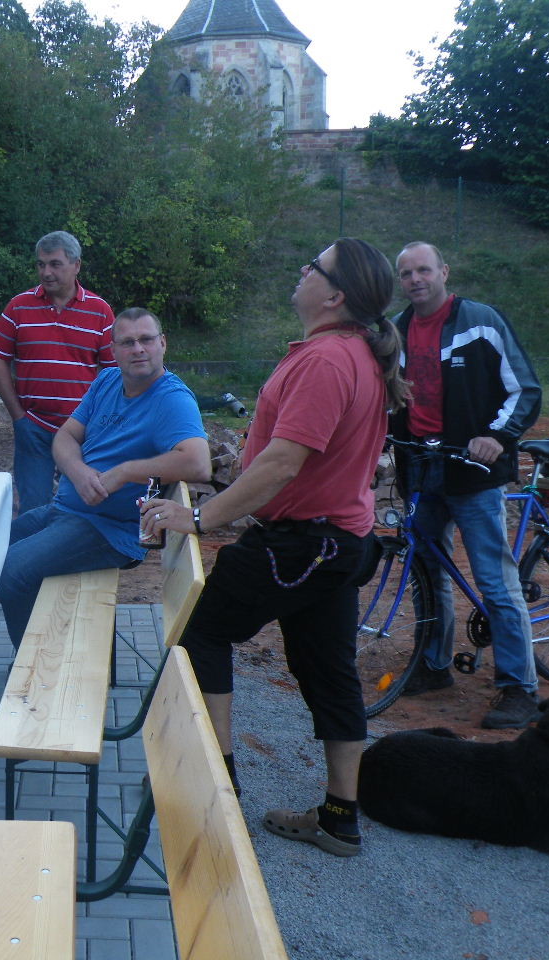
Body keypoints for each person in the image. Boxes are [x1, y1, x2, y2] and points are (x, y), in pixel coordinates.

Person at [142, 238, 410, 858]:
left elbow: (283, 463)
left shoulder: (328, 360)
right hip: (336, 542)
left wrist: (200, 518)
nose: (302, 270)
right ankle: (340, 817)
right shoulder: (349, 353)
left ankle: (217, 796)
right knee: (329, 671)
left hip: (303, 544)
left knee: (200, 631)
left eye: (314, 266)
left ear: (335, 295)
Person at [0, 308, 209, 650]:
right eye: (128, 342)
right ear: (113, 350)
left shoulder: (172, 400)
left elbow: (198, 463)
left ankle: (37, 666)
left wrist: (124, 472)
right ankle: (44, 651)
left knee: (10, 573)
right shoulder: (108, 381)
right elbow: (65, 437)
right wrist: (78, 472)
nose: (138, 349)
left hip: (108, 529)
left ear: (163, 343)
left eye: (146, 339)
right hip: (66, 511)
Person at [392, 241, 542, 729]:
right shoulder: (395, 331)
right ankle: (433, 665)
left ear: (444, 272)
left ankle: (519, 687)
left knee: (495, 580)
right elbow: (388, 399)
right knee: (427, 571)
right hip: (421, 470)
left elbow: (525, 389)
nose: (415, 279)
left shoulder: (481, 321)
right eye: (406, 273)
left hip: (473, 471)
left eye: (424, 270)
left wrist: (497, 437)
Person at [0, 231, 115, 515]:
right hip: (34, 425)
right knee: (34, 508)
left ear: (76, 265)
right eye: (41, 264)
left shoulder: (100, 311)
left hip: (82, 430)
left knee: (82, 506)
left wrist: (100, 419)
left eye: (55, 264)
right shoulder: (19, 306)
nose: (46, 272)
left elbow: (113, 372)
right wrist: (17, 416)